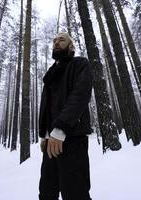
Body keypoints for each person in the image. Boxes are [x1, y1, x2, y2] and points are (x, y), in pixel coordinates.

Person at [38, 32, 93, 200]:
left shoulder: (80, 64)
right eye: (54, 40)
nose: (56, 42)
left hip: (73, 139)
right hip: (50, 143)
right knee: (47, 193)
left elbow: (80, 95)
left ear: (71, 45)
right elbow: (46, 106)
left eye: (61, 39)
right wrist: (44, 135)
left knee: (75, 193)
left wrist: (60, 129)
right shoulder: (51, 73)